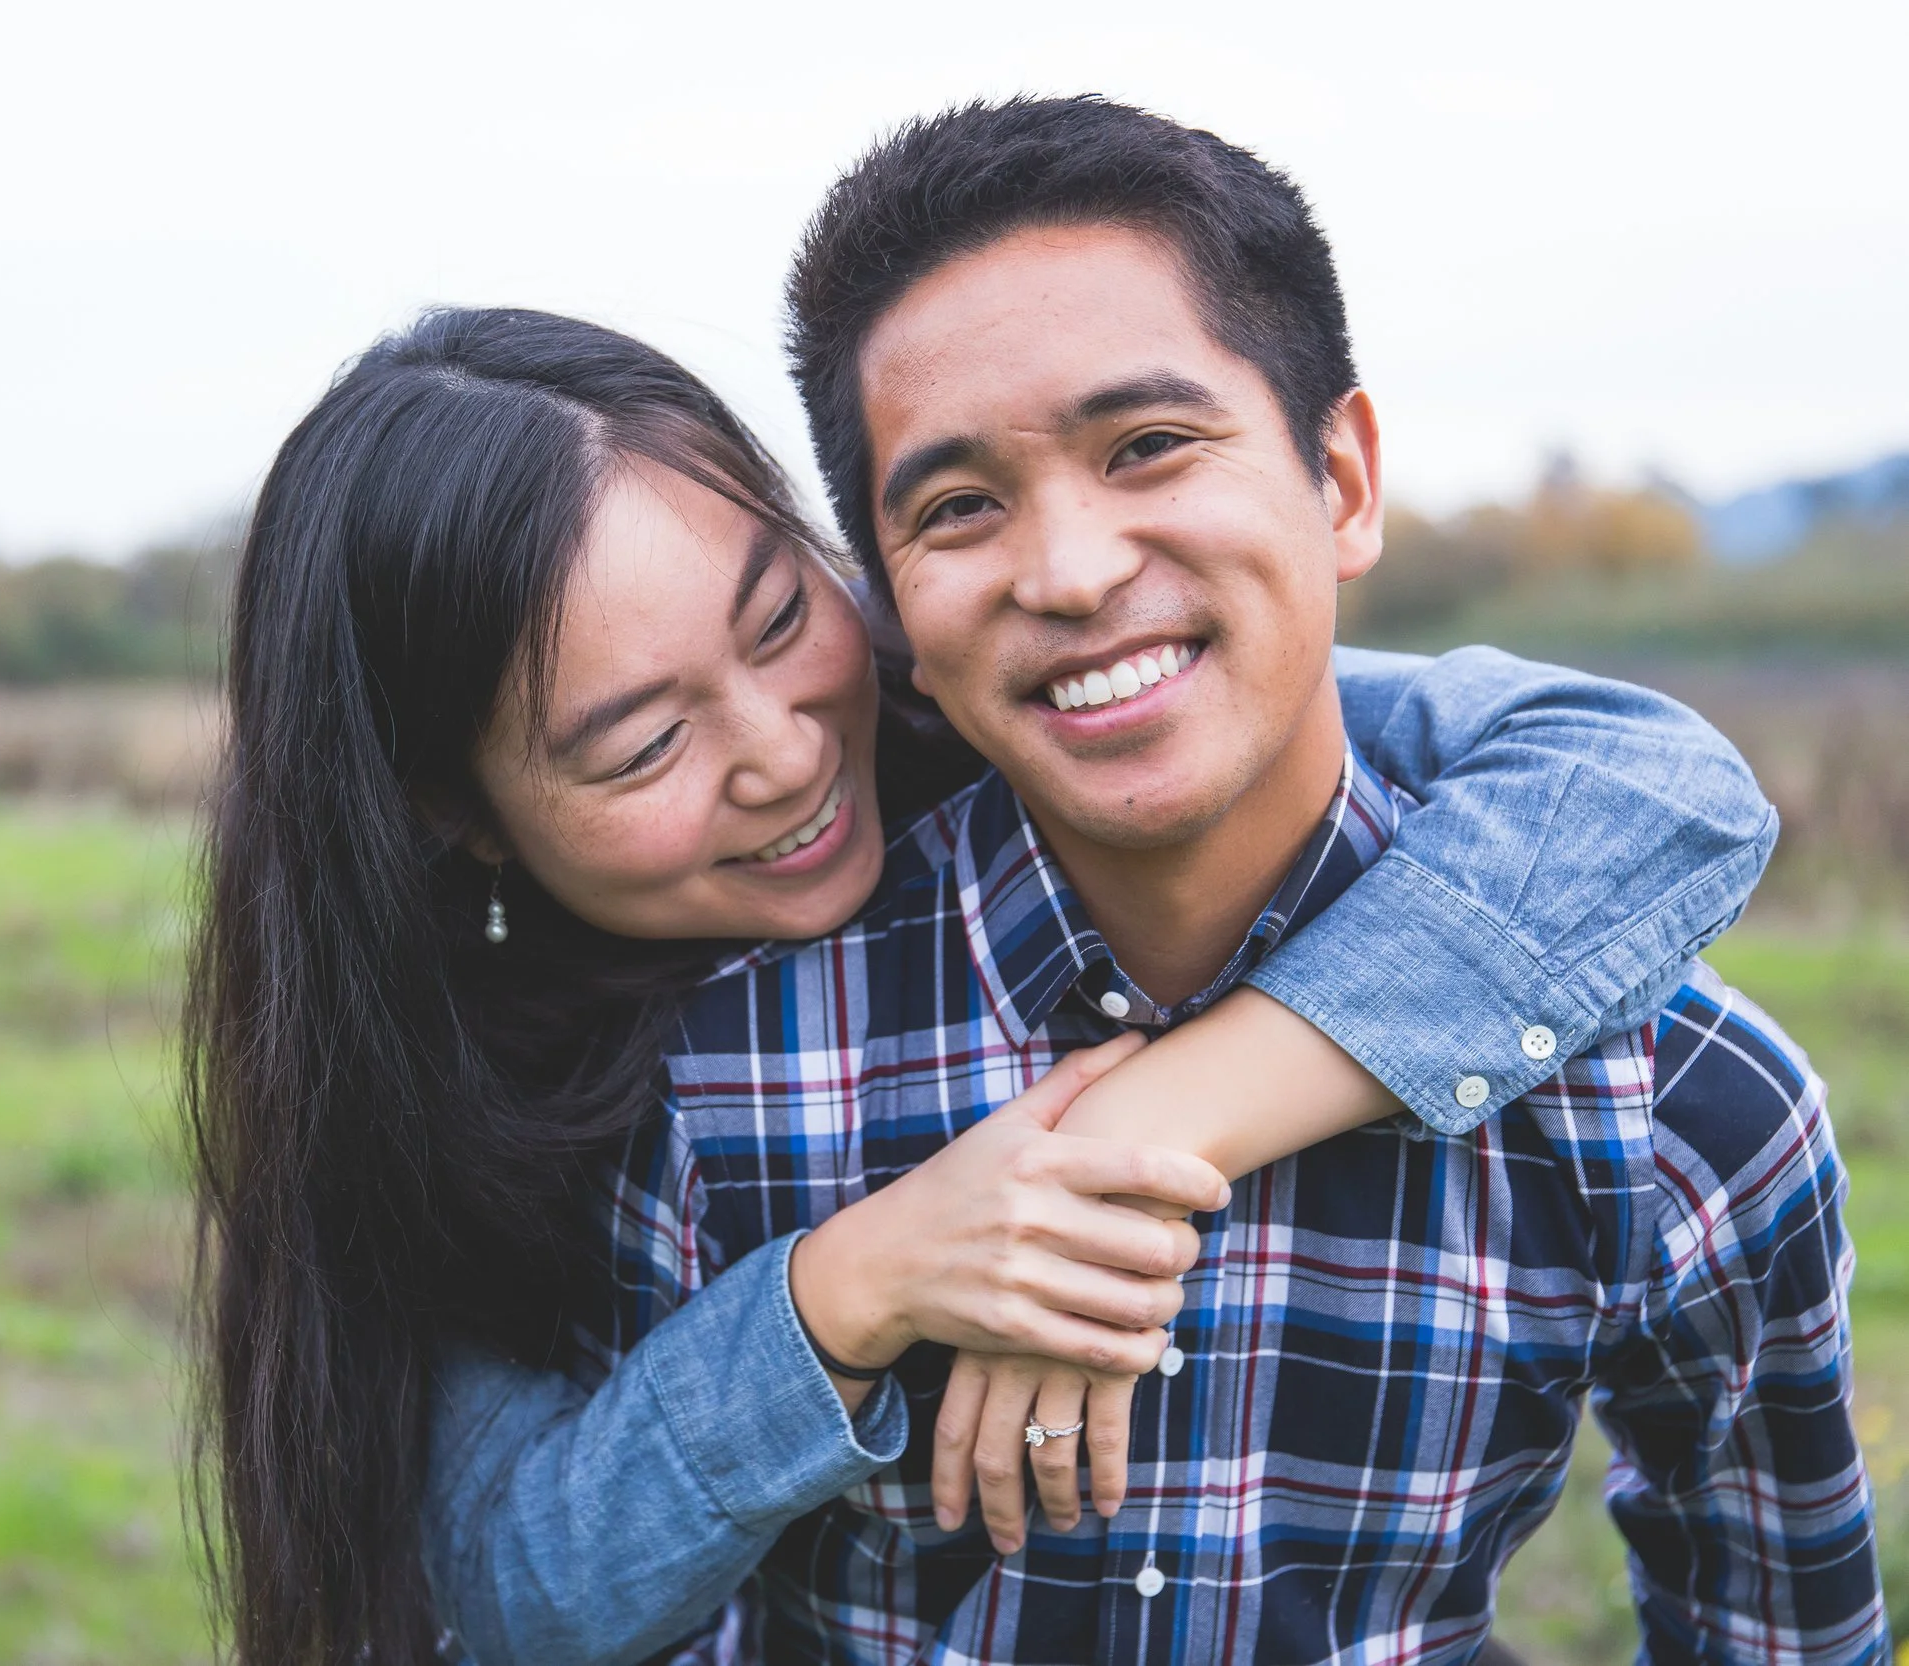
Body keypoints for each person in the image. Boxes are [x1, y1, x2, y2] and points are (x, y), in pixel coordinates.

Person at [182, 302, 1782, 1665]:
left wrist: (1137, 1136)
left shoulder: (996, 691)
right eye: (648, 742)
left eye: (778, 615)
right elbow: (518, 1582)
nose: (787, 749)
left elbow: (1650, 788)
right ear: (449, 814)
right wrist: (850, 1287)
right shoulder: (454, 1073)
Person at [506, 96, 1880, 1662]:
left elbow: (1783, 1629)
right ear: (893, 608)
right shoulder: (723, 1074)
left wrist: (1135, 1138)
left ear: (1344, 478)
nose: (1074, 571)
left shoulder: (1681, 1112)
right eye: (959, 507)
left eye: (1149, 445)